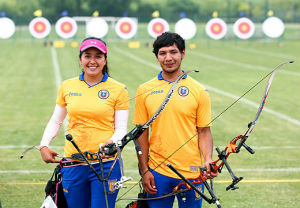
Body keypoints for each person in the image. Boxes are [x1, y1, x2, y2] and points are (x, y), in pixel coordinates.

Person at [39, 37, 130, 208]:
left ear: (105, 59)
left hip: (106, 164)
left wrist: (112, 142)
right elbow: (56, 120)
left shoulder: (119, 89)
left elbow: (121, 128)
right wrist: (43, 145)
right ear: (80, 59)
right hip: (73, 164)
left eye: (98, 56)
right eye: (87, 56)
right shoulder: (67, 86)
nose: (92, 61)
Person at [133, 32, 218, 208]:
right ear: (156, 57)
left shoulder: (198, 90)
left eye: (173, 52)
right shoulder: (145, 89)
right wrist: (144, 171)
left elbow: (203, 130)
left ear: (183, 53)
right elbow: (141, 135)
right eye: (163, 53)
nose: (168, 58)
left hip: (192, 172)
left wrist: (208, 159)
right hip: (158, 172)